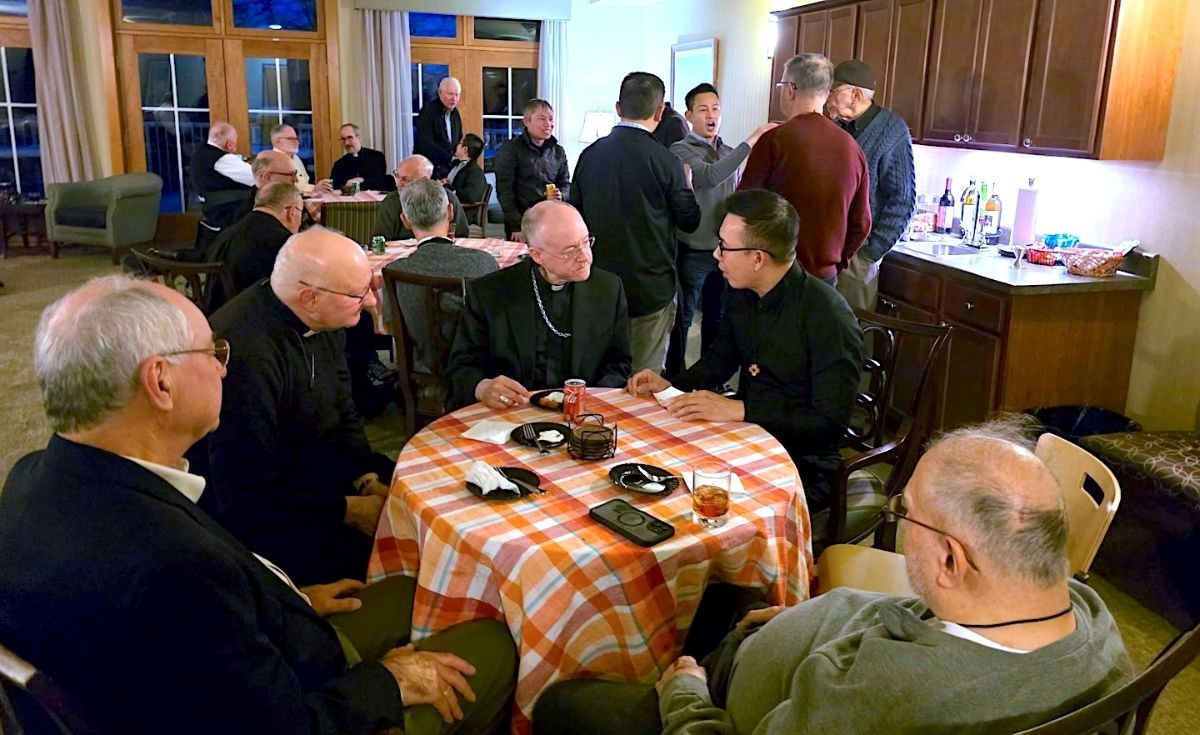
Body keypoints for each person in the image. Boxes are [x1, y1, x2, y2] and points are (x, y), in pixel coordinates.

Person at [0, 275, 517, 734]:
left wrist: (278, 599)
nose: (225, 370)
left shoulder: (29, 477)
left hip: (234, 661)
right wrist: (388, 680)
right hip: (292, 699)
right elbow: (286, 723)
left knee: (416, 592)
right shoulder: (177, 568)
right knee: (496, 641)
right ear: (161, 381)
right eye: (212, 353)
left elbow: (188, 643)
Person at [533, 419, 1134, 735]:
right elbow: (935, 624)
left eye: (905, 514)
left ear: (951, 560)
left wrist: (684, 695)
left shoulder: (885, 700)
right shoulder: (1084, 615)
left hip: (719, 709)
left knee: (564, 704)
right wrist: (811, 617)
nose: (897, 521)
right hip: (786, 652)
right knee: (728, 597)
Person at [627, 189, 862, 511]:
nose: (716, 254)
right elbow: (719, 361)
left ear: (757, 258)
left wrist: (741, 410)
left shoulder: (827, 316)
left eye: (724, 246)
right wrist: (672, 384)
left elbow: (829, 423)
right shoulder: (744, 292)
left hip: (802, 465)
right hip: (746, 439)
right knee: (654, 468)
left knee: (698, 508)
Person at [202, 229, 398, 585]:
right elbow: (243, 490)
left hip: (316, 475)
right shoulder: (246, 355)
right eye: (358, 294)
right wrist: (346, 510)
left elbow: (343, 409)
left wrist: (365, 476)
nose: (371, 302)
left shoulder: (326, 318)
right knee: (395, 561)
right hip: (265, 520)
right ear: (309, 297)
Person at [569, 71, 701, 375]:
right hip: (650, 284)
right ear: (660, 111)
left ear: (618, 108)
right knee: (644, 378)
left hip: (598, 281)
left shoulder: (589, 155)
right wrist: (688, 186)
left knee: (598, 373)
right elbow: (690, 220)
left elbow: (575, 215)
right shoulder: (666, 161)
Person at [447, 200, 632, 410]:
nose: (585, 257)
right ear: (537, 255)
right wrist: (482, 387)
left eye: (586, 242)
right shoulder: (490, 293)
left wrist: (592, 400)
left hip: (587, 412)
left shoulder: (608, 289)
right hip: (513, 414)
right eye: (570, 250)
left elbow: (619, 363)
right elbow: (461, 366)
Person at [665, 83, 777, 375]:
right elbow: (711, 176)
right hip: (693, 249)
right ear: (689, 115)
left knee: (717, 317)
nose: (711, 115)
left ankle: (708, 379)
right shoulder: (680, 150)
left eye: (715, 109)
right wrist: (753, 140)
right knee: (684, 318)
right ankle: (675, 377)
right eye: (703, 110)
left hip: (727, 251)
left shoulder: (727, 151)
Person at [739, 53, 871, 285]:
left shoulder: (774, 141)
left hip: (775, 272)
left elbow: (744, 209)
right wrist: (837, 264)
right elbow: (861, 224)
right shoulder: (852, 148)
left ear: (790, 89)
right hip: (825, 276)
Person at [826, 59, 916, 311]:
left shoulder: (891, 130)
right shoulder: (834, 128)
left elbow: (904, 199)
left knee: (855, 331)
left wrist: (872, 252)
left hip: (858, 255)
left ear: (854, 94)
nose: (827, 99)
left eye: (833, 92)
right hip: (824, 250)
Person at [383, 179, 498, 371]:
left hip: (425, 367)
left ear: (405, 221)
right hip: (482, 369)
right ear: (450, 212)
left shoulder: (396, 271)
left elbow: (391, 326)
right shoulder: (484, 263)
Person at [205, 181, 303, 312]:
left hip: (215, 314)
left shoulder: (227, 233)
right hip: (254, 319)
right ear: (292, 212)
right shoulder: (283, 242)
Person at [494, 99, 571, 242]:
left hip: (551, 219)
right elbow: (504, 191)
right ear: (527, 121)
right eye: (542, 119)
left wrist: (562, 195)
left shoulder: (558, 151)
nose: (548, 124)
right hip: (522, 222)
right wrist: (517, 226)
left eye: (551, 119)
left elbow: (566, 184)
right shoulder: (511, 149)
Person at [374, 155, 470, 241]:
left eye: (405, 179)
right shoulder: (391, 202)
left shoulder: (448, 199)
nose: (398, 183)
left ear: (424, 180)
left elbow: (462, 236)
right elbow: (380, 241)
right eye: (397, 176)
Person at [190, 121, 254, 230]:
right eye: (235, 140)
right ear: (229, 144)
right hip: (230, 211)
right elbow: (256, 178)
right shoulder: (222, 159)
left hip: (213, 208)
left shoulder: (200, 153)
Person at [414, 77, 463, 180]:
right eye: (450, 94)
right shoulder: (428, 110)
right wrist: (450, 158)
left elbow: (458, 139)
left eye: (457, 95)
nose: (454, 98)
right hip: (428, 170)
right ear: (440, 93)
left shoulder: (455, 114)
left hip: (448, 171)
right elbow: (426, 143)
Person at [330, 123, 395, 192]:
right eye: (343, 139)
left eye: (350, 137)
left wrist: (361, 179)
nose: (346, 143)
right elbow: (334, 185)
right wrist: (323, 185)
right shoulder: (339, 163)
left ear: (359, 138)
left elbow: (380, 180)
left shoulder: (377, 157)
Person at [270, 123, 330, 194]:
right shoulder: (271, 161)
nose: (296, 142)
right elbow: (286, 189)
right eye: (291, 139)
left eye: (296, 139)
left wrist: (316, 188)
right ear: (278, 141)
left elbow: (305, 182)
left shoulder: (296, 158)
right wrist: (314, 188)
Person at [444, 133, 488, 205]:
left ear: (465, 149)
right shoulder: (455, 164)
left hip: (461, 212)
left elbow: (471, 197)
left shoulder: (475, 172)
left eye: (460, 143)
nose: (457, 145)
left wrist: (448, 188)